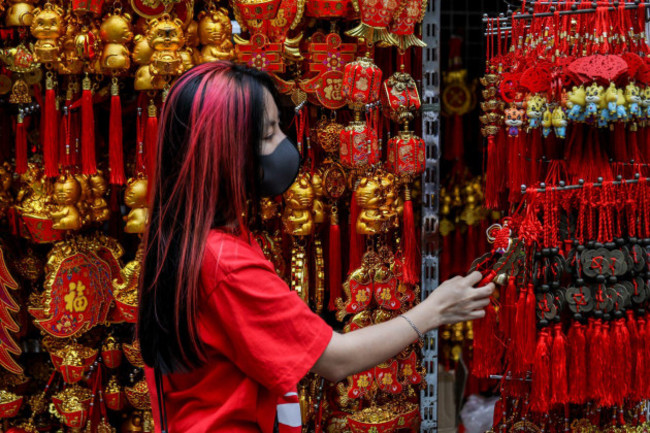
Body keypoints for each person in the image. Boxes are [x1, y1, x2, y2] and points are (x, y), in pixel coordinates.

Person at [137, 61, 494, 433]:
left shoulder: (183, 235)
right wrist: (435, 310)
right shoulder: (225, 263)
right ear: (228, 149)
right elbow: (335, 360)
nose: (283, 145)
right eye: (269, 133)